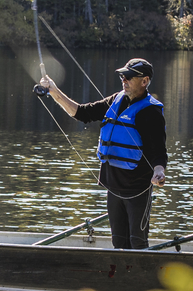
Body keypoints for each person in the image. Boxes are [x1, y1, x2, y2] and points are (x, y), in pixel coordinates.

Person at [35, 57, 167, 249]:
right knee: (119, 242)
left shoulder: (151, 111)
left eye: (129, 77)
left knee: (138, 243)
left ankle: (137, 277)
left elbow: (158, 151)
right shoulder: (116, 99)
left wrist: (159, 171)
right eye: (123, 76)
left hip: (137, 190)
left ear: (144, 81)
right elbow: (81, 113)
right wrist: (54, 91)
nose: (124, 80)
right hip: (113, 187)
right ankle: (120, 277)